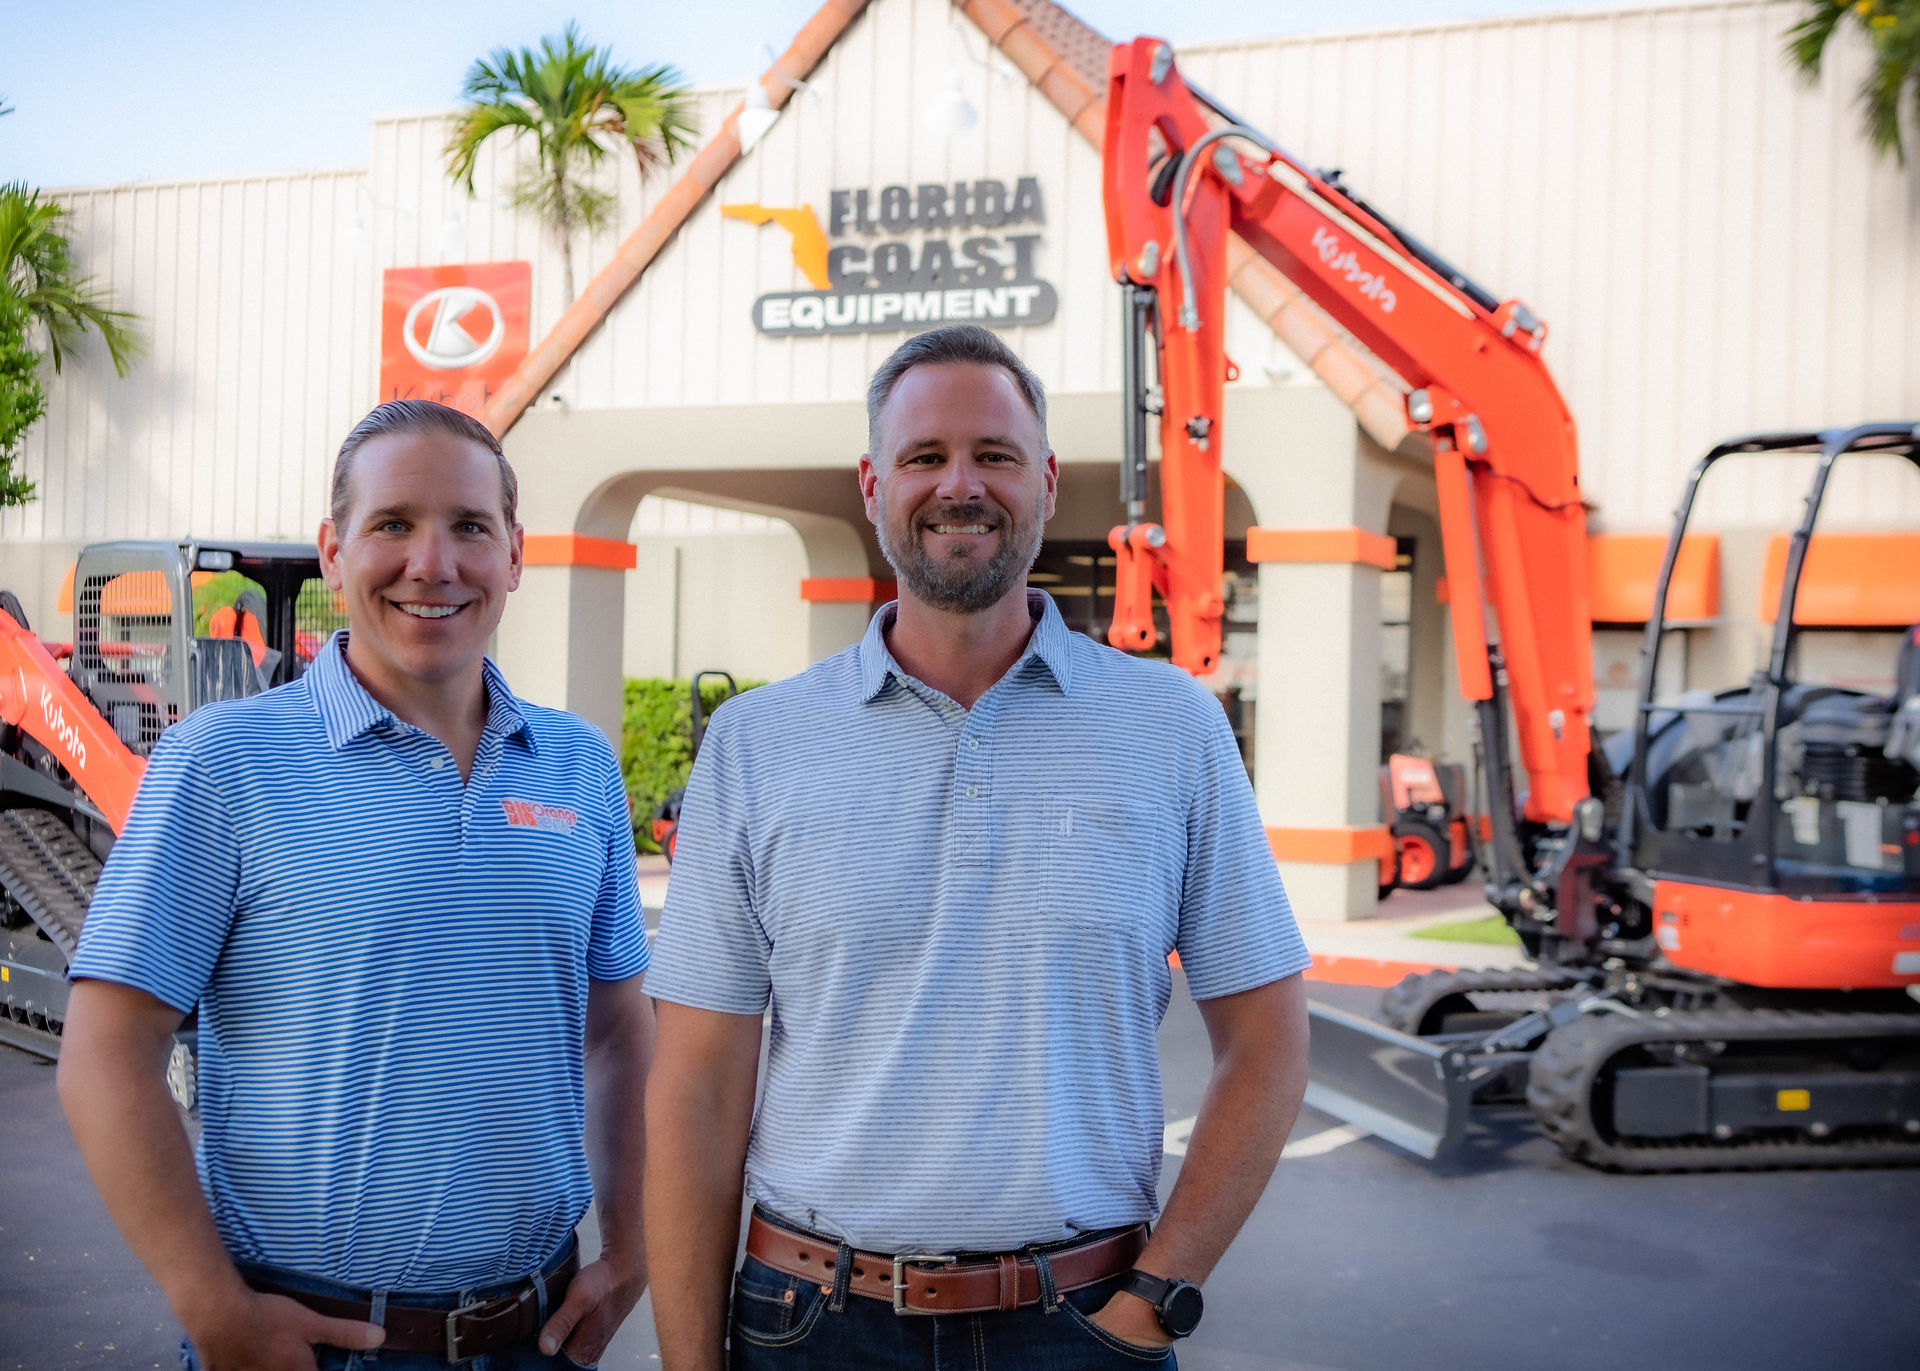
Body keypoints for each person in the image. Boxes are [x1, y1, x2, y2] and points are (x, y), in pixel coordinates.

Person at [643, 324, 1311, 1370]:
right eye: (925, 457)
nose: (961, 484)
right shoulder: (757, 742)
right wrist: (689, 1363)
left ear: (1045, 480)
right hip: (812, 1327)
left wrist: (1158, 1296)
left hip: (1084, 1326)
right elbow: (696, 1086)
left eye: (994, 455)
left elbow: (1267, 1041)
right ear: (873, 484)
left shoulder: (1170, 726)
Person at [58, 400, 653, 1371]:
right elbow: (105, 1054)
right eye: (393, 525)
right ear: (334, 553)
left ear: (514, 556)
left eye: (469, 526)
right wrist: (214, 1310)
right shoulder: (225, 762)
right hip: (312, 1343)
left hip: (538, 1335)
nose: (433, 563)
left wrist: (630, 1245)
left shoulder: (577, 765)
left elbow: (620, 1027)